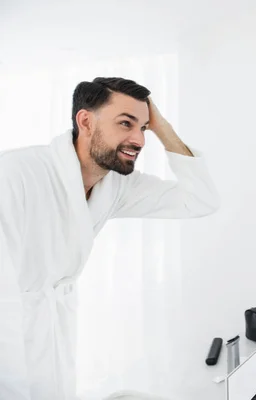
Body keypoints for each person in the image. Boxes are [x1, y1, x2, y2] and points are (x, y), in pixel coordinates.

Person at [0, 77, 221, 399]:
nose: (139, 139)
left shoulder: (115, 186)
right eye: (125, 123)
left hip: (51, 332)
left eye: (144, 128)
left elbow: (200, 200)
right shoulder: (15, 174)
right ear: (86, 121)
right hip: (10, 331)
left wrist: (163, 128)